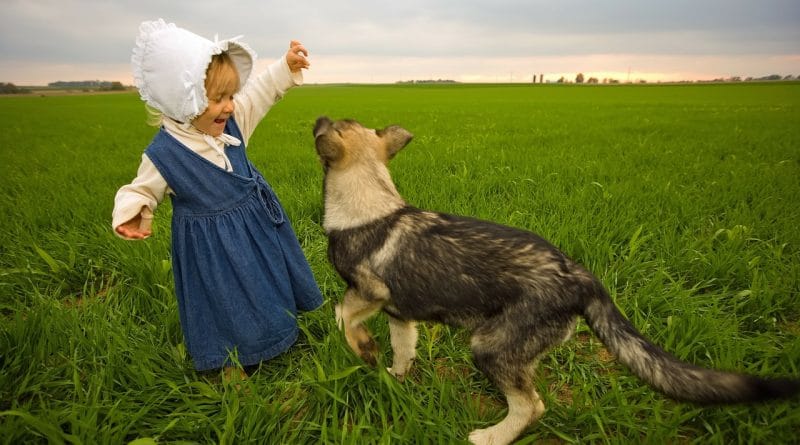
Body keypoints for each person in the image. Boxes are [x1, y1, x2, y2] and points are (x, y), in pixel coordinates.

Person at [113, 19, 323, 378]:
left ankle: (277, 332)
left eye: (230, 95)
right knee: (223, 301)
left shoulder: (234, 121)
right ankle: (228, 361)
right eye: (217, 98)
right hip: (210, 249)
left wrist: (285, 68)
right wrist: (134, 211)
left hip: (256, 227)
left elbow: (260, 92)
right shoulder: (165, 153)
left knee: (264, 281)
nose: (229, 106)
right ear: (185, 99)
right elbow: (142, 188)